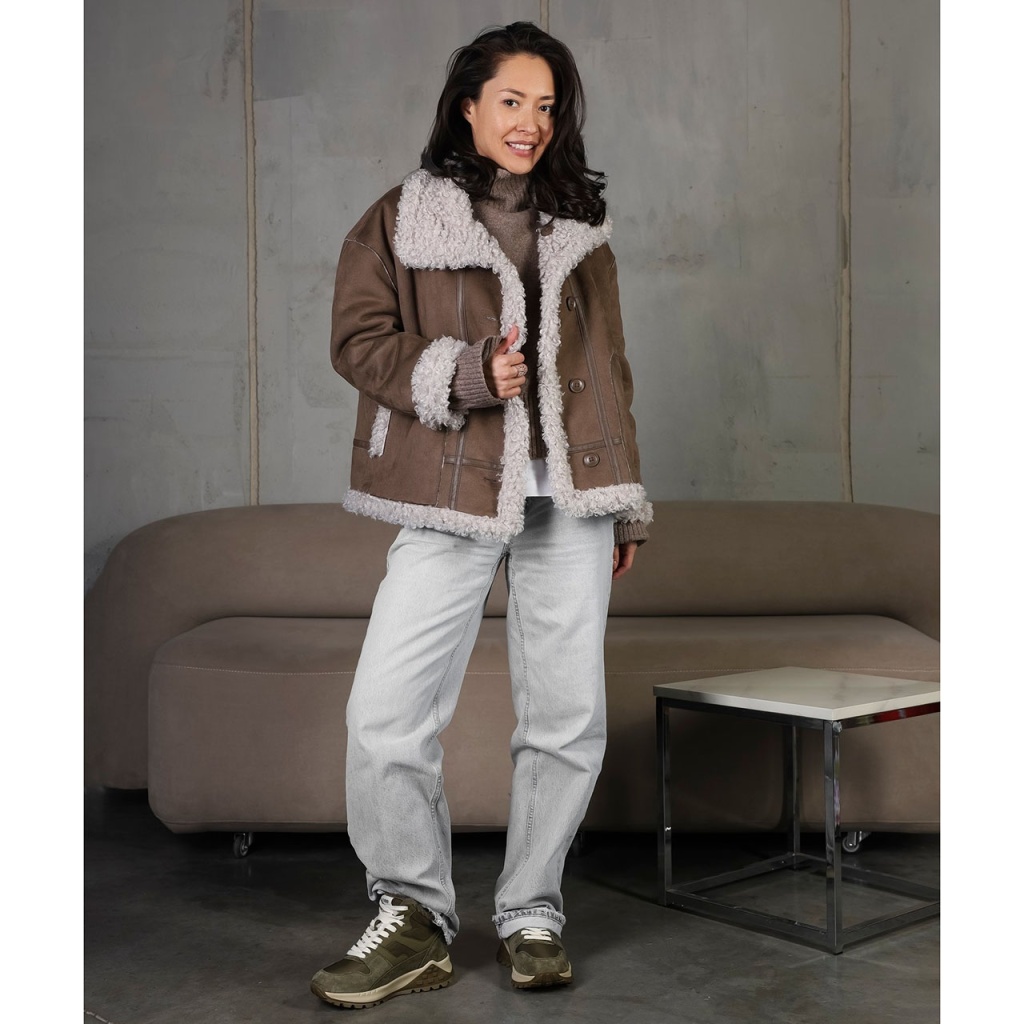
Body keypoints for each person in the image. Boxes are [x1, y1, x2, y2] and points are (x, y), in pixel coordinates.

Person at [310, 20, 651, 1009]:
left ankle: (533, 910)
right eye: (511, 101)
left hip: (571, 501)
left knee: (566, 719)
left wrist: (625, 502)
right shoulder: (401, 217)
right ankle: (413, 915)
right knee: (386, 715)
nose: (529, 122)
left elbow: (609, 371)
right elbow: (356, 339)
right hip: (447, 490)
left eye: (545, 106)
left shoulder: (580, 226)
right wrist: (461, 374)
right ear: (468, 105)